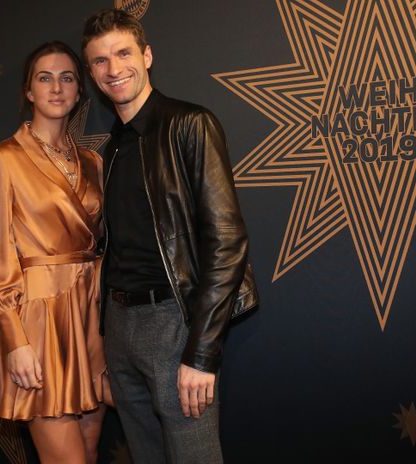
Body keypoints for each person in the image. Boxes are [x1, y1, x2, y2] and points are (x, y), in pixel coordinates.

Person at [82, 9, 257, 463]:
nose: (114, 69)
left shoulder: (189, 124)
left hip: (174, 321)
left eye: (123, 53)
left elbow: (227, 242)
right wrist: (104, 339)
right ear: (92, 71)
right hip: (119, 327)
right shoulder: (111, 148)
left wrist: (201, 353)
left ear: (147, 55)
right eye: (100, 61)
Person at [0, 41, 109, 464]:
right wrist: (15, 339)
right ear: (28, 91)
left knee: (88, 452)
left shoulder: (93, 162)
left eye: (67, 78)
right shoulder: (0, 159)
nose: (56, 87)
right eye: (44, 78)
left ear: (79, 91)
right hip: (38, 321)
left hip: (90, 318)